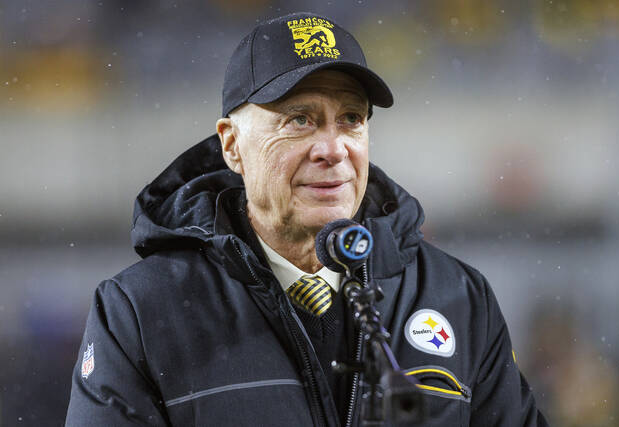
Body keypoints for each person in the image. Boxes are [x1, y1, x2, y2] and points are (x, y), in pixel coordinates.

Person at [66, 12, 547, 426]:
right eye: (300, 120)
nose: (333, 149)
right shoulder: (140, 312)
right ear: (232, 144)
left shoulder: (458, 297)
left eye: (351, 119)